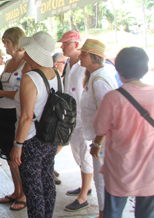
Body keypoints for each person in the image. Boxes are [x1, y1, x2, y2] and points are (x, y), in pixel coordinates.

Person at [90, 47, 154, 218]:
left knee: (113, 213)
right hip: (152, 169)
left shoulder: (113, 98)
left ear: (118, 68)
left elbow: (100, 128)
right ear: (145, 68)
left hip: (120, 169)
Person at [9, 31, 60, 218]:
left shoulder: (31, 78)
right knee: (47, 182)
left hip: (31, 141)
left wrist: (17, 145)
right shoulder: (55, 73)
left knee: (33, 191)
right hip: (50, 138)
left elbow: (26, 117)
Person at [79, 39, 118, 218]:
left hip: (104, 140)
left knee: (102, 180)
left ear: (94, 57)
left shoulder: (100, 79)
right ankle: (104, 212)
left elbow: (109, 116)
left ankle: (104, 214)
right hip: (100, 138)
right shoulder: (95, 76)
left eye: (84, 53)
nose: (80, 56)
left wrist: (98, 143)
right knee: (100, 179)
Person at [0, 27, 30, 211]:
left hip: (15, 114)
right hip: (4, 112)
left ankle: (23, 194)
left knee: (15, 157)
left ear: (16, 41)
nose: (5, 45)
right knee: (9, 157)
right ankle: (16, 190)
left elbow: (25, 93)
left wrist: (1, 93)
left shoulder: (26, 63)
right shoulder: (9, 63)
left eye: (7, 41)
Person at [57, 30, 93, 212]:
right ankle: (85, 186)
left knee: (85, 155)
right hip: (73, 117)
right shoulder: (70, 64)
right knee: (78, 154)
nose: (62, 46)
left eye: (65, 43)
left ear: (76, 45)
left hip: (84, 119)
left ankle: (83, 196)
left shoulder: (85, 66)